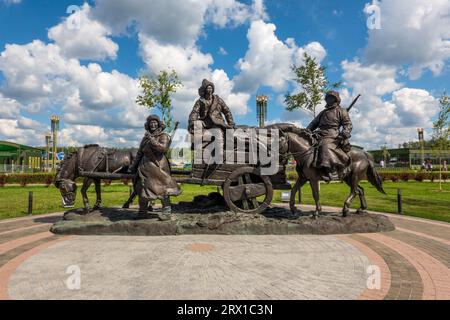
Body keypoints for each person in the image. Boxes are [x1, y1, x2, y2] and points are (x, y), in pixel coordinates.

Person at [129, 115, 181, 218]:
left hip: (159, 166)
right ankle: (142, 212)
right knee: (142, 188)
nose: (153, 124)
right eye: (150, 123)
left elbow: (163, 149)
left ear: (158, 124)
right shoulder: (145, 137)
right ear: (147, 125)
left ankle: (166, 212)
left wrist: (152, 140)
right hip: (145, 167)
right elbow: (140, 153)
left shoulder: (163, 136)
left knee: (163, 188)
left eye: (154, 122)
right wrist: (133, 166)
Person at [306, 91, 353, 182]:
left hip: (332, 135)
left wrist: (345, 132)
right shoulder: (323, 112)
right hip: (319, 133)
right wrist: (306, 131)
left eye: (330, 98)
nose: (328, 100)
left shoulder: (341, 111)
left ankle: (331, 171)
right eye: (327, 98)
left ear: (336, 99)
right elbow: (313, 123)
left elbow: (348, 124)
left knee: (325, 145)